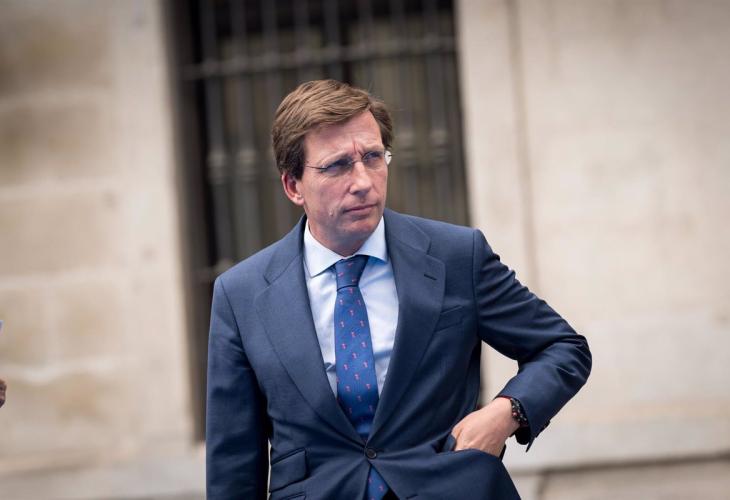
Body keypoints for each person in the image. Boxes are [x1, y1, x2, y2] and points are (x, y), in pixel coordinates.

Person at [206, 79, 591, 500]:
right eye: (337, 166)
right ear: (293, 186)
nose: (363, 181)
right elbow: (233, 467)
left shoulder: (456, 256)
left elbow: (562, 347)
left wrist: (506, 412)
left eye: (373, 157)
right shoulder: (241, 295)